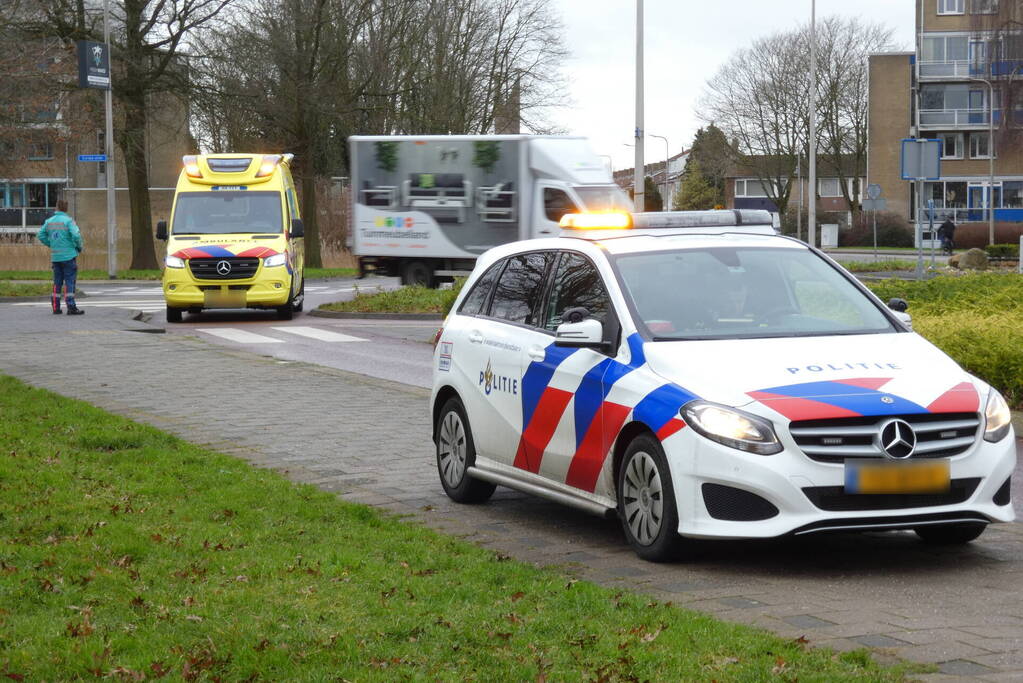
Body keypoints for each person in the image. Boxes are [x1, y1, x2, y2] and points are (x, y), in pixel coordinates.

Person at [36, 199, 84, 315]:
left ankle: (56, 307)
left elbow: (40, 235)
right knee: (69, 281)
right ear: (66, 208)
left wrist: (51, 243)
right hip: (68, 256)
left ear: (56, 207)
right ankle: (71, 307)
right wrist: (78, 247)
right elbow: (76, 235)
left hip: (56, 257)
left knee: (57, 282)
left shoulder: (49, 221)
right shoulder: (68, 221)